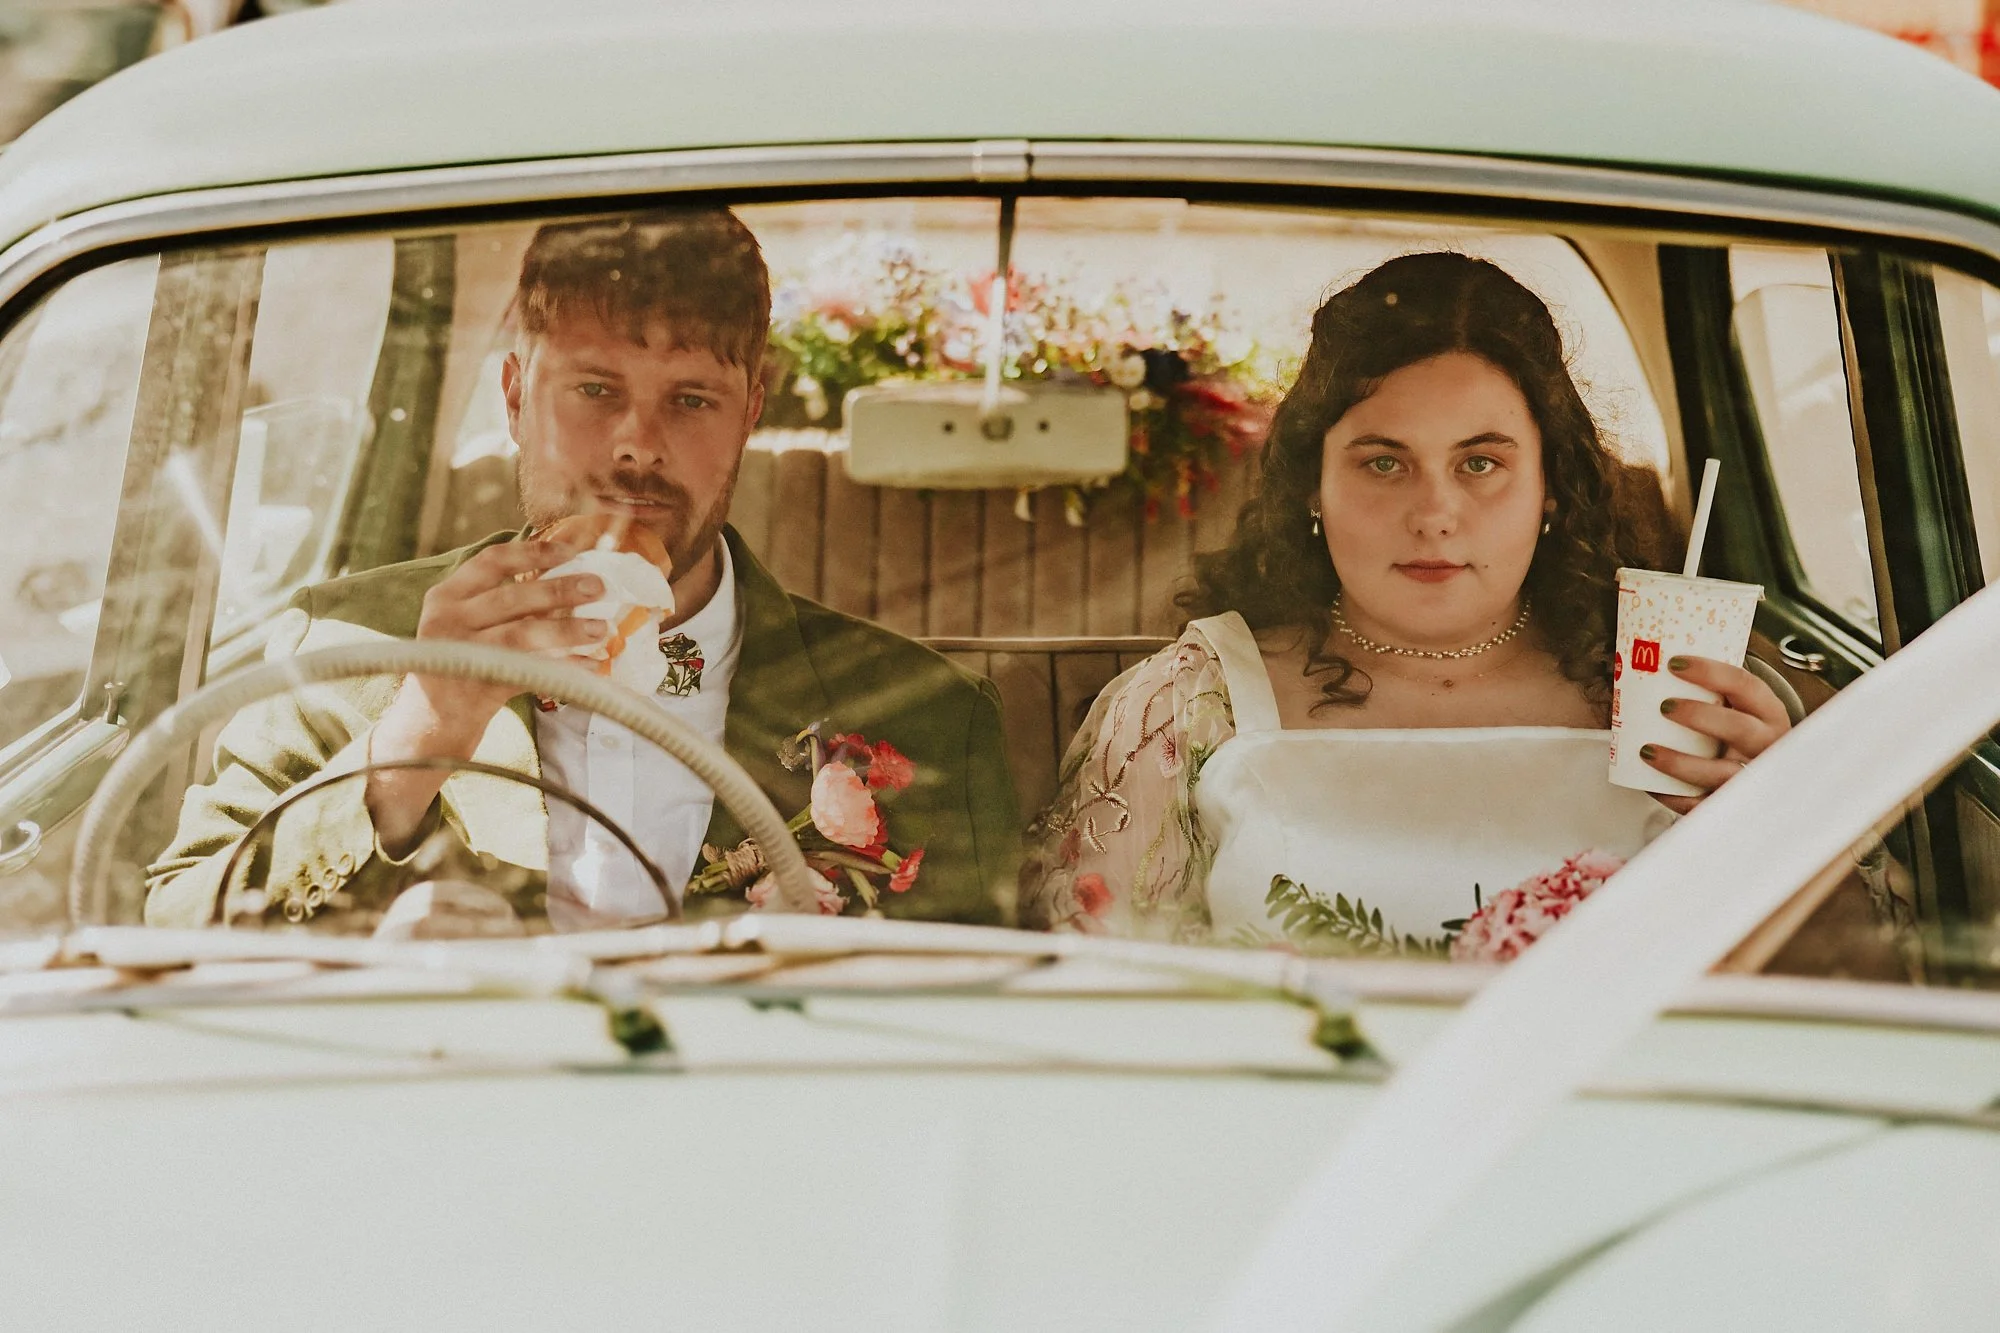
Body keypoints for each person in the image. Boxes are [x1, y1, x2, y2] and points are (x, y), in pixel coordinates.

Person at [147, 208, 1019, 930]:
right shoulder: (341, 646)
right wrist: (420, 734)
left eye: (691, 399)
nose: (638, 445)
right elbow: (178, 929)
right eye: (595, 390)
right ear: (516, 397)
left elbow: (987, 1025)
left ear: (749, 413)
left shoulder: (935, 719)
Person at [1022, 252, 1791, 949]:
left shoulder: (1682, 697)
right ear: (1313, 487)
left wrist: (1780, 818)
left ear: (1551, 488)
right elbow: (1103, 993)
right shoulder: (1189, 709)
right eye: (1385, 463)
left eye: (1480, 463)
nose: (1434, 514)